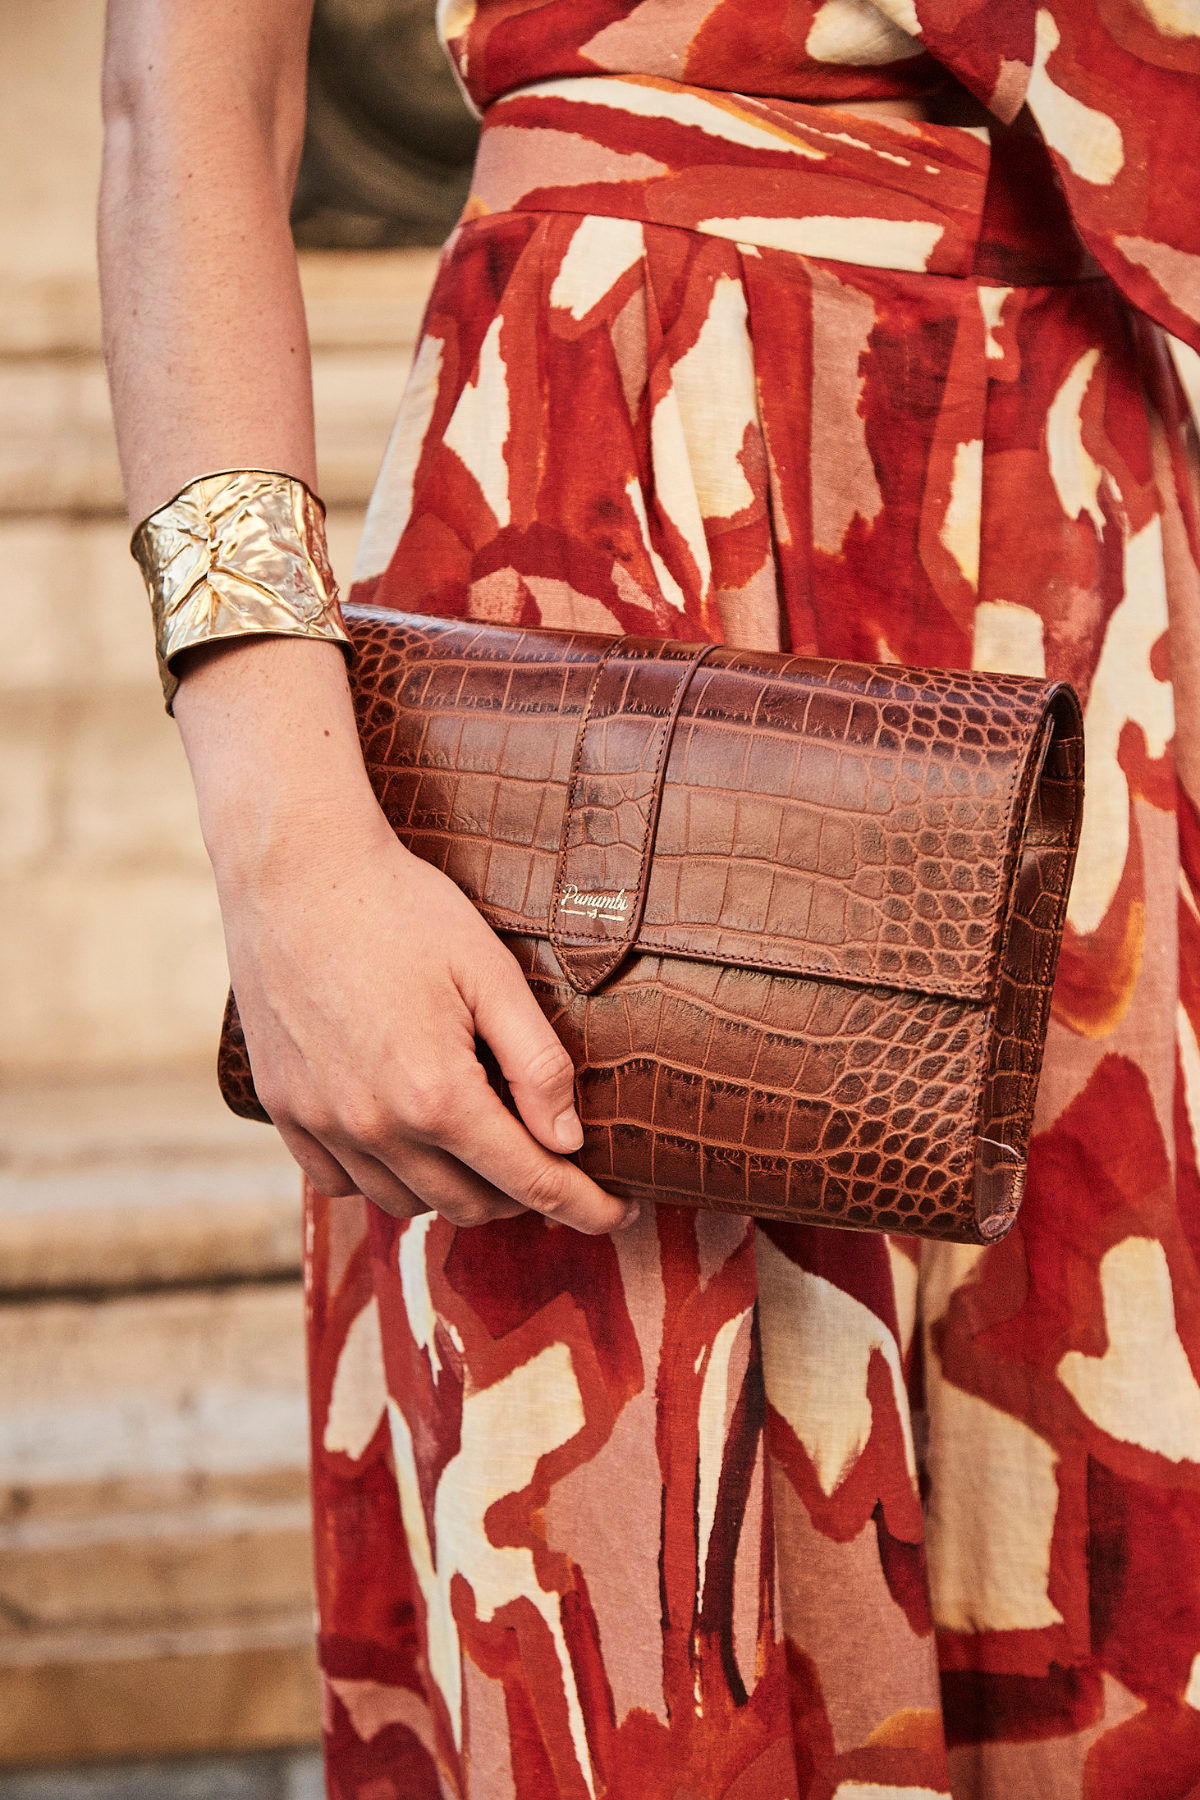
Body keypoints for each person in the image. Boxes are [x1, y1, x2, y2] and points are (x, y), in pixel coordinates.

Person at [99, 1, 1200, 1795]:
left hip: (1110, 538)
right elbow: (187, 103)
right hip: (632, 501)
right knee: (630, 1597)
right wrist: (285, 840)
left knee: (1111, 1559)